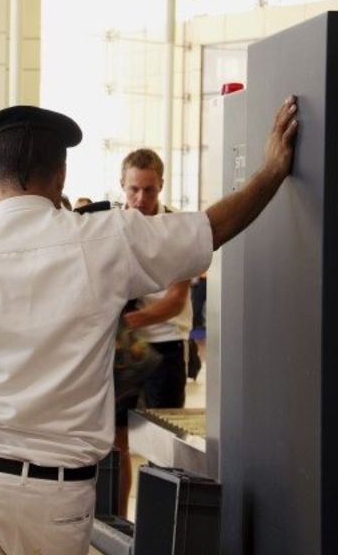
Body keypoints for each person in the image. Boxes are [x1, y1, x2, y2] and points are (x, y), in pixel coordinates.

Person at [0, 98, 299, 554]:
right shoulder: (105, 239)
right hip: (56, 495)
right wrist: (272, 170)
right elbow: (210, 229)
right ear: (61, 175)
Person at [114, 148, 196, 516]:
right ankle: (117, 523)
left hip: (164, 348)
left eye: (149, 190)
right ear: (122, 186)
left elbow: (176, 301)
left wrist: (126, 323)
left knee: (164, 448)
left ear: (161, 185)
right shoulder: (112, 227)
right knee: (117, 444)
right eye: (133, 190)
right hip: (121, 353)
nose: (141, 199)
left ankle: (159, 530)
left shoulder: (179, 230)